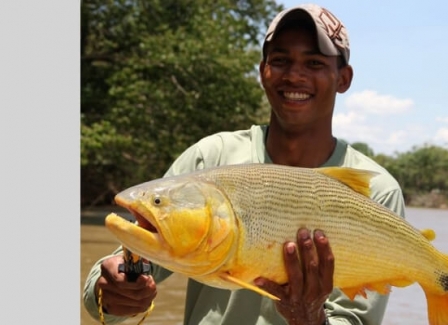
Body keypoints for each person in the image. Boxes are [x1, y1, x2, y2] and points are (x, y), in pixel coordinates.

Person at [82, 3, 406, 325]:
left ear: (343, 78)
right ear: (263, 71)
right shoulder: (210, 158)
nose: (294, 75)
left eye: (314, 62)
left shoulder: (377, 190)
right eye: (280, 60)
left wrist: (311, 319)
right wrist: (112, 291)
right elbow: (124, 272)